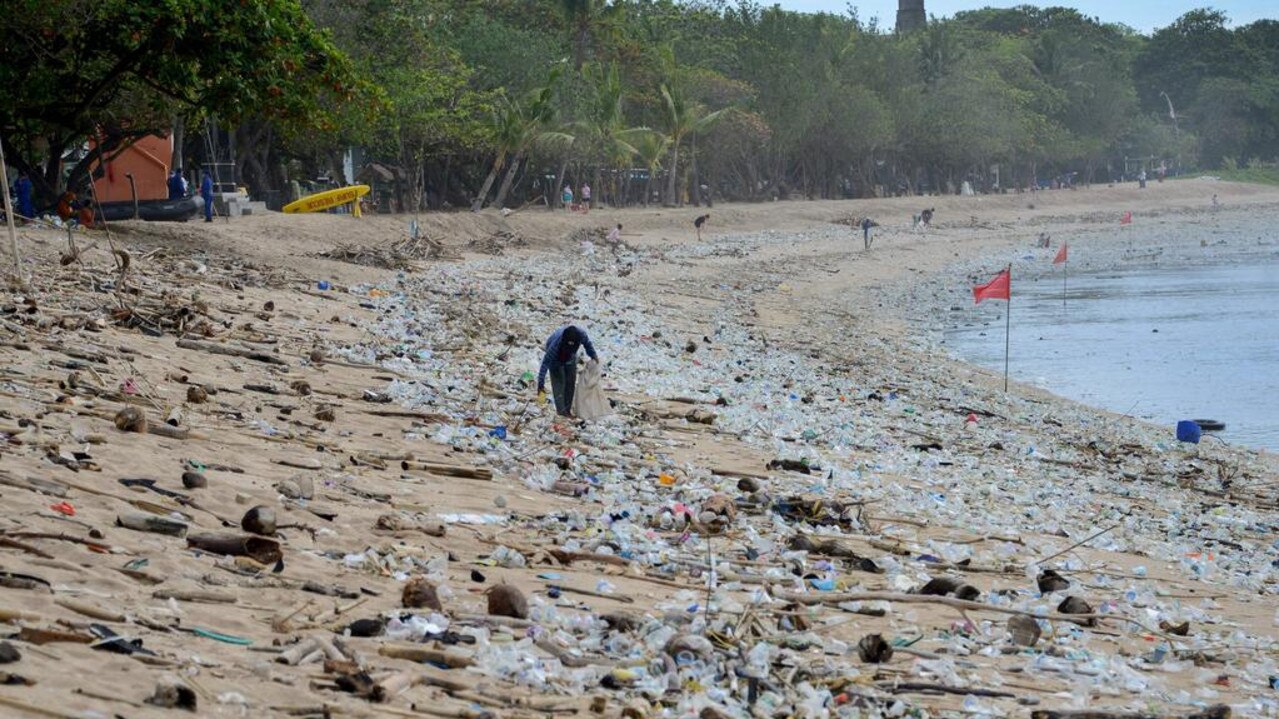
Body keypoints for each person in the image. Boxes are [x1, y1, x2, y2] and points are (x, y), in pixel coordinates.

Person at [537, 325, 599, 417]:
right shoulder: (554, 348)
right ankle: (561, 412)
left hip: (571, 357)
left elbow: (588, 345)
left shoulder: (581, 336)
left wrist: (594, 356)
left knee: (570, 382)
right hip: (557, 359)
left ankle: (567, 410)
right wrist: (541, 384)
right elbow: (545, 365)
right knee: (559, 383)